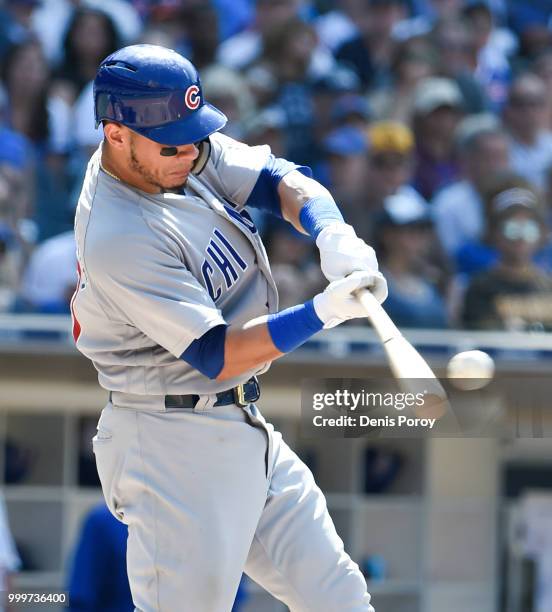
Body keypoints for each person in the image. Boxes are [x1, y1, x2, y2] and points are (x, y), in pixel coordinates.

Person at [72, 44, 386, 612]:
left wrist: (330, 231)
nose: (191, 152)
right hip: (169, 439)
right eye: (174, 142)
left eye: (194, 135)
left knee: (338, 597)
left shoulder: (171, 148)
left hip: (239, 422)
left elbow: (273, 177)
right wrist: (324, 311)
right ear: (116, 134)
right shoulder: (118, 234)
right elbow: (218, 354)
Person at [462, 185, 552, 331]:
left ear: (541, 234)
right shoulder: (479, 288)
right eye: (512, 228)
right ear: (494, 233)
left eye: (529, 228)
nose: (521, 237)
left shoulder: (548, 286)